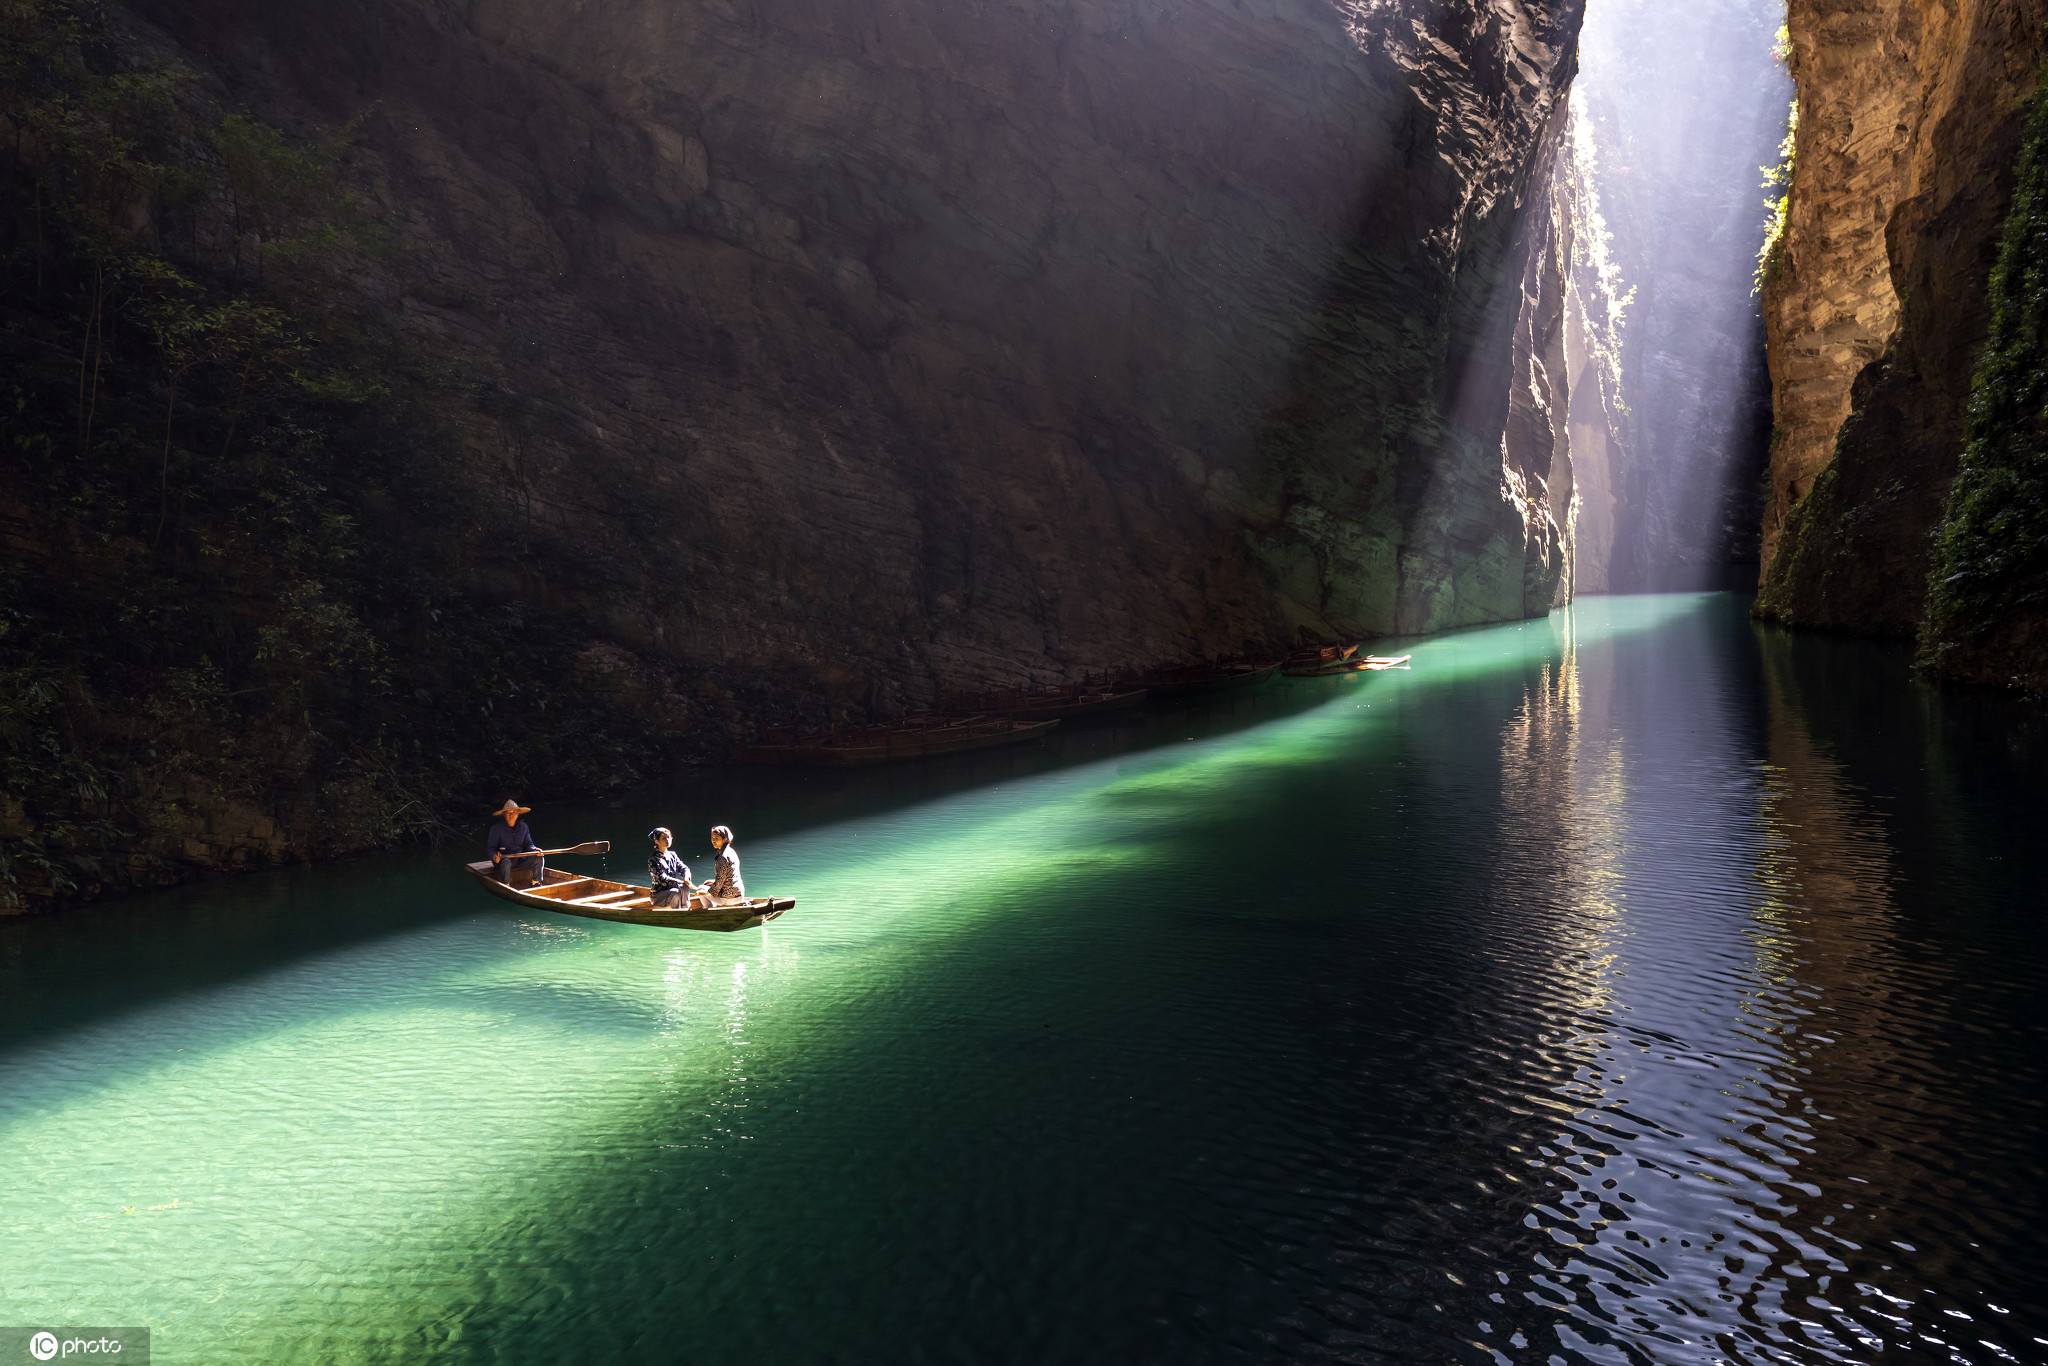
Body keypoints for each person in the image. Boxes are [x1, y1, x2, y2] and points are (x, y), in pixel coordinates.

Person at [487, 799, 544, 888]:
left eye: (514, 812)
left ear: (518, 814)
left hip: (520, 859)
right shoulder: (496, 829)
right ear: (504, 814)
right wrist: (494, 856)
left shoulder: (523, 827)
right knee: (506, 862)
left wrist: (534, 849)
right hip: (503, 860)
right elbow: (491, 848)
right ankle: (506, 885)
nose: (511, 815)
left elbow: (528, 844)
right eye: (508, 813)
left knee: (538, 857)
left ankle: (536, 882)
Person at [647, 827, 696, 909]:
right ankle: (679, 914)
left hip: (672, 889)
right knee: (675, 893)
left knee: (684, 887)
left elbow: (683, 867)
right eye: (663, 838)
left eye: (669, 837)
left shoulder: (672, 855)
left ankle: (685, 910)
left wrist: (686, 878)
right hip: (658, 896)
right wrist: (679, 882)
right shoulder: (654, 859)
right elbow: (662, 878)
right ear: (656, 841)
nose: (667, 840)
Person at [701, 824, 745, 903]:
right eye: (712, 838)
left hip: (730, 897)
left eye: (716, 838)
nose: (713, 841)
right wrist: (712, 882)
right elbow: (727, 876)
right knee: (707, 884)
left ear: (724, 839)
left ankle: (708, 911)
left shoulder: (723, 857)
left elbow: (720, 881)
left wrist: (705, 893)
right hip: (739, 893)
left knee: (701, 889)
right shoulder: (731, 851)